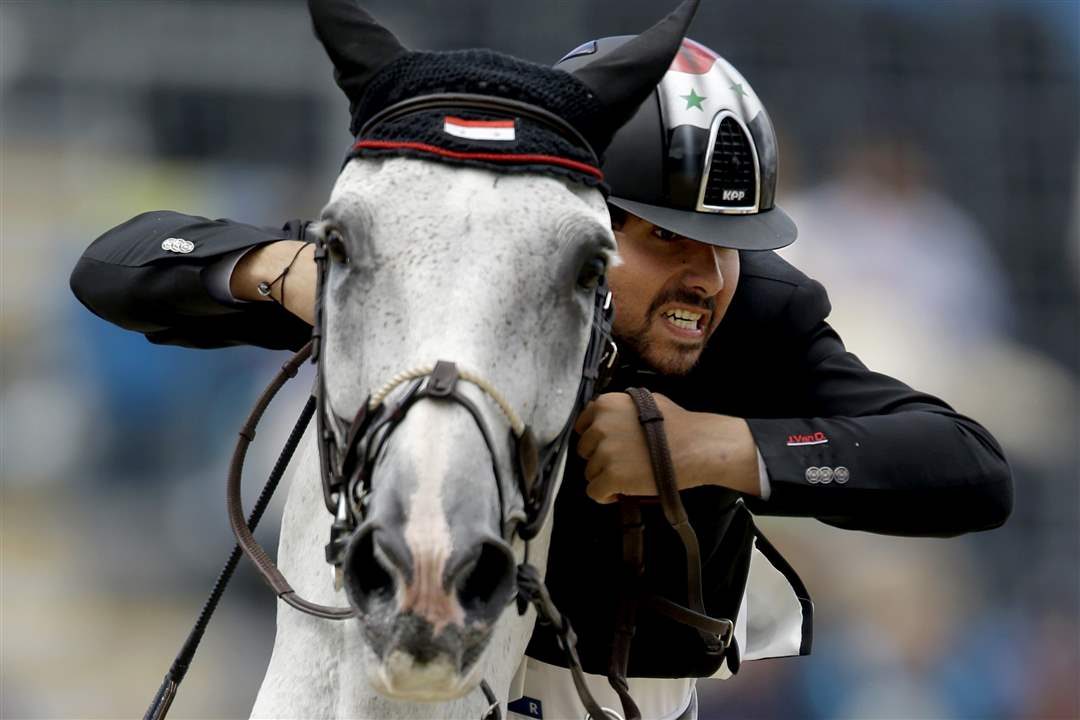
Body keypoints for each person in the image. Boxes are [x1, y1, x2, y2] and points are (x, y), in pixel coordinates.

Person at [70, 35, 1011, 720]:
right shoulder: (448, 271)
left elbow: (966, 466)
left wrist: (711, 448)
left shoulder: (752, 314)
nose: (706, 278)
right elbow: (113, 266)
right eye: (666, 237)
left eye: (729, 243)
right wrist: (286, 273)